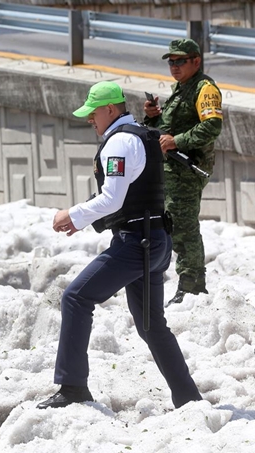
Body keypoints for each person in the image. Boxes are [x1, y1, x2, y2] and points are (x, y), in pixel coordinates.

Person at [38, 81, 202, 410]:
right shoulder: (140, 135)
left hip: (136, 244)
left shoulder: (120, 142)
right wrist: (82, 219)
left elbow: (112, 199)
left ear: (110, 109)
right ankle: (189, 399)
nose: (90, 120)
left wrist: (71, 214)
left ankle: (72, 387)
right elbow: (126, 197)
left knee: (75, 297)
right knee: (152, 325)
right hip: (154, 242)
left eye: (93, 113)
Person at [143, 38, 223, 305]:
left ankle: (193, 287)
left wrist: (178, 141)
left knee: (184, 228)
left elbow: (212, 126)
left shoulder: (204, 89)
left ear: (196, 61)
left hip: (188, 170)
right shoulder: (181, 88)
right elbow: (168, 127)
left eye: (180, 61)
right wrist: (153, 116)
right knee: (175, 226)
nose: (174, 66)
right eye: (171, 62)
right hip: (173, 170)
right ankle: (189, 285)